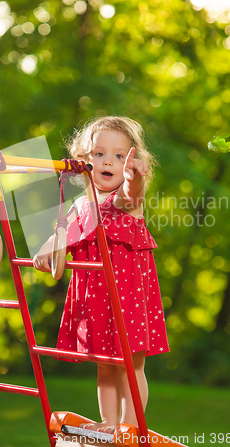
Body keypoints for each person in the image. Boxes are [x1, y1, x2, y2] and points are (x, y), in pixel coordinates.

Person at [34, 116, 169, 434]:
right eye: (99, 154)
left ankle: (131, 425)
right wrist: (46, 248)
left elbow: (132, 191)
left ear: (131, 162)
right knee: (105, 366)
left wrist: (133, 177)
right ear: (83, 160)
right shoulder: (80, 205)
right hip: (96, 300)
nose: (109, 161)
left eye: (120, 156)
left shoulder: (124, 202)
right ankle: (109, 422)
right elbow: (62, 237)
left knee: (130, 366)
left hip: (127, 299)